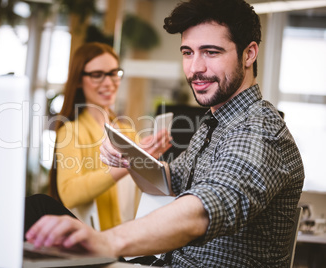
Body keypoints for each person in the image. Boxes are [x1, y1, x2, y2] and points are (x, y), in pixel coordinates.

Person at [25, 1, 305, 267]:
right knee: (39, 207)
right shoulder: (214, 121)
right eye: (187, 52)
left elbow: (205, 209)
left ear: (249, 53)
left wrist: (106, 241)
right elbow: (172, 179)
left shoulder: (260, 130)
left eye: (211, 52)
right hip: (161, 262)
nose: (195, 68)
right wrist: (131, 157)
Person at [34, 42, 171, 232]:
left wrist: (149, 162)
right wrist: (129, 163)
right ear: (79, 80)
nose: (108, 82)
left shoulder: (127, 130)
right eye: (97, 75)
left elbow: (142, 192)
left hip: (129, 239)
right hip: (94, 242)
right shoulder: (71, 131)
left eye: (114, 73)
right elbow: (68, 193)